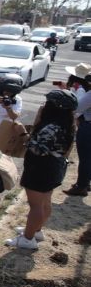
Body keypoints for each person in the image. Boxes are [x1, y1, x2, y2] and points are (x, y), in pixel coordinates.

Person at [5, 90, 77, 249]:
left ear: (54, 107)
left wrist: (23, 133)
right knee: (45, 201)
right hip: (55, 167)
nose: (44, 105)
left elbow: (37, 149)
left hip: (41, 168)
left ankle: (27, 239)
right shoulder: (67, 125)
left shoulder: (50, 128)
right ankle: (36, 230)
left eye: (48, 103)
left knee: (36, 206)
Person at [61, 63, 91, 197]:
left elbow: (77, 108)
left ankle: (81, 186)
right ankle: (85, 182)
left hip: (88, 126)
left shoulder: (88, 93)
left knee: (85, 158)